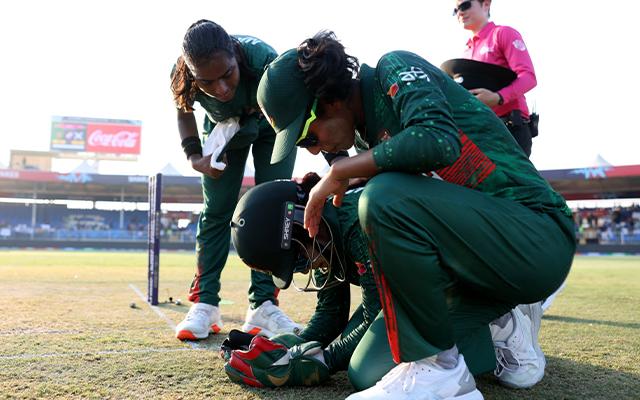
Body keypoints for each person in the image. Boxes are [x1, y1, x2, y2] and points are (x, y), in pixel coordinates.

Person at [256, 31, 575, 399]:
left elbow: (436, 140)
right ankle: (501, 326)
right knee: (370, 371)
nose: (313, 152)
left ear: (328, 101)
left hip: (535, 234)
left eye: (306, 138)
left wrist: (342, 171)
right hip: (479, 272)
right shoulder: (365, 142)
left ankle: (441, 369)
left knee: (383, 198)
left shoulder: (394, 67)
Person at [169, 19, 301, 341]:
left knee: (275, 209)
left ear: (235, 55)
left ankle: (264, 306)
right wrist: (194, 157)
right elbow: (184, 111)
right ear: (192, 73)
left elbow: (294, 106)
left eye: (227, 75)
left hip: (272, 128)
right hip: (224, 133)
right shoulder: (182, 74)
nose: (221, 89)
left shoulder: (264, 60)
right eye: (207, 83)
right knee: (217, 211)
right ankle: (205, 304)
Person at [223, 174, 384, 388]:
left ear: (300, 224)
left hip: (433, 284)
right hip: (403, 289)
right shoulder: (320, 231)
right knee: (356, 346)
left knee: (364, 372)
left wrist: (326, 360)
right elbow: (331, 313)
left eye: (297, 258)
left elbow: (379, 311)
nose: (305, 268)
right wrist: (284, 348)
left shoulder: (358, 223)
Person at [454, 0, 538, 157]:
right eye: (455, 10)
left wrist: (498, 97)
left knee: (514, 182)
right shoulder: (467, 49)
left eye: (465, 5)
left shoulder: (503, 33)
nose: (459, 12)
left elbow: (528, 77)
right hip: (481, 133)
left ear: (486, 4)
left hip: (510, 128)